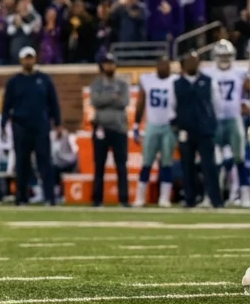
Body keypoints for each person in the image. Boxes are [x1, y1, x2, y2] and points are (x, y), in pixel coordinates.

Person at [2, 47, 60, 205]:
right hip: (20, 126)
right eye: (25, 58)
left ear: (34, 59)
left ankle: (49, 197)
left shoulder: (44, 80)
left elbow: (53, 103)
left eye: (30, 58)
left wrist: (58, 123)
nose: (28, 61)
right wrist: (3, 124)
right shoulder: (14, 82)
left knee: (45, 162)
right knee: (22, 163)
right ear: (21, 60)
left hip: (41, 126)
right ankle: (21, 197)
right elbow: (6, 105)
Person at [203, 40, 249, 206]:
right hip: (214, 121)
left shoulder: (241, 72)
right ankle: (210, 196)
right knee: (213, 160)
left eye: (226, 56)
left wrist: (246, 103)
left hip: (234, 118)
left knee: (239, 158)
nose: (224, 59)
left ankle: (245, 196)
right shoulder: (207, 72)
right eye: (221, 56)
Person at [174, 51, 223, 208]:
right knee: (187, 165)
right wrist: (176, 125)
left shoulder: (208, 81)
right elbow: (172, 106)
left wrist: (213, 123)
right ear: (184, 64)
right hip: (185, 129)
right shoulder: (176, 83)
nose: (192, 64)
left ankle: (215, 199)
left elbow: (216, 104)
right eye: (189, 61)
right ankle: (190, 198)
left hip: (204, 129)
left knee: (209, 165)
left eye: (195, 61)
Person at [134, 57, 179, 207]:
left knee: (166, 162)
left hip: (169, 126)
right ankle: (140, 197)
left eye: (166, 65)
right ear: (156, 66)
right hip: (152, 125)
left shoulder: (175, 80)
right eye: (161, 65)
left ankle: (164, 198)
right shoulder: (147, 79)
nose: (163, 68)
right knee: (146, 162)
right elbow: (140, 102)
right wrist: (136, 125)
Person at [88, 52, 131, 206]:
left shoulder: (122, 83)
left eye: (111, 63)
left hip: (119, 128)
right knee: (99, 165)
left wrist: (105, 100)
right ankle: (97, 199)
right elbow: (95, 101)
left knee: (121, 165)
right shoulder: (97, 83)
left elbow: (124, 102)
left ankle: (123, 199)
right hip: (101, 127)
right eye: (106, 63)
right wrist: (113, 97)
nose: (109, 66)